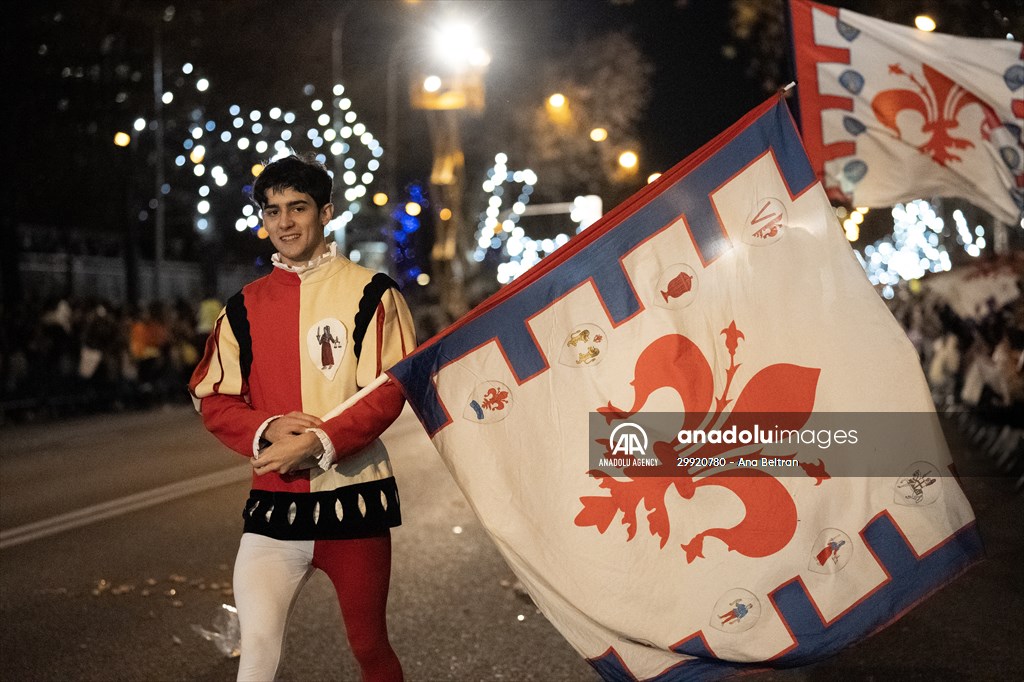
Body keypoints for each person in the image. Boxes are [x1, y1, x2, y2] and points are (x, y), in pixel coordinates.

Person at [189, 153, 415, 681]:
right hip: (273, 512)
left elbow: (390, 388)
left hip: (353, 504)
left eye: (298, 208)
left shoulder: (374, 292)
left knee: (369, 648)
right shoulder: (240, 308)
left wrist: (319, 442)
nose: (285, 223)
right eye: (272, 212)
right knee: (256, 658)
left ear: (326, 211)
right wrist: (265, 430)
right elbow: (212, 396)